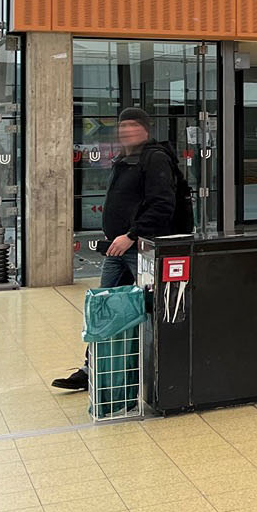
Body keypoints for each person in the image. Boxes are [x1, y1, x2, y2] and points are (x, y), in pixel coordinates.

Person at [52, 107, 176, 392]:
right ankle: (92, 368)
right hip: (117, 250)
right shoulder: (126, 158)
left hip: (139, 248)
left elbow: (162, 204)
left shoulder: (154, 158)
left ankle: (162, 370)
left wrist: (132, 235)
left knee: (154, 309)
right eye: (122, 127)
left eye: (133, 126)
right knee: (103, 308)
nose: (126, 131)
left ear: (146, 129)